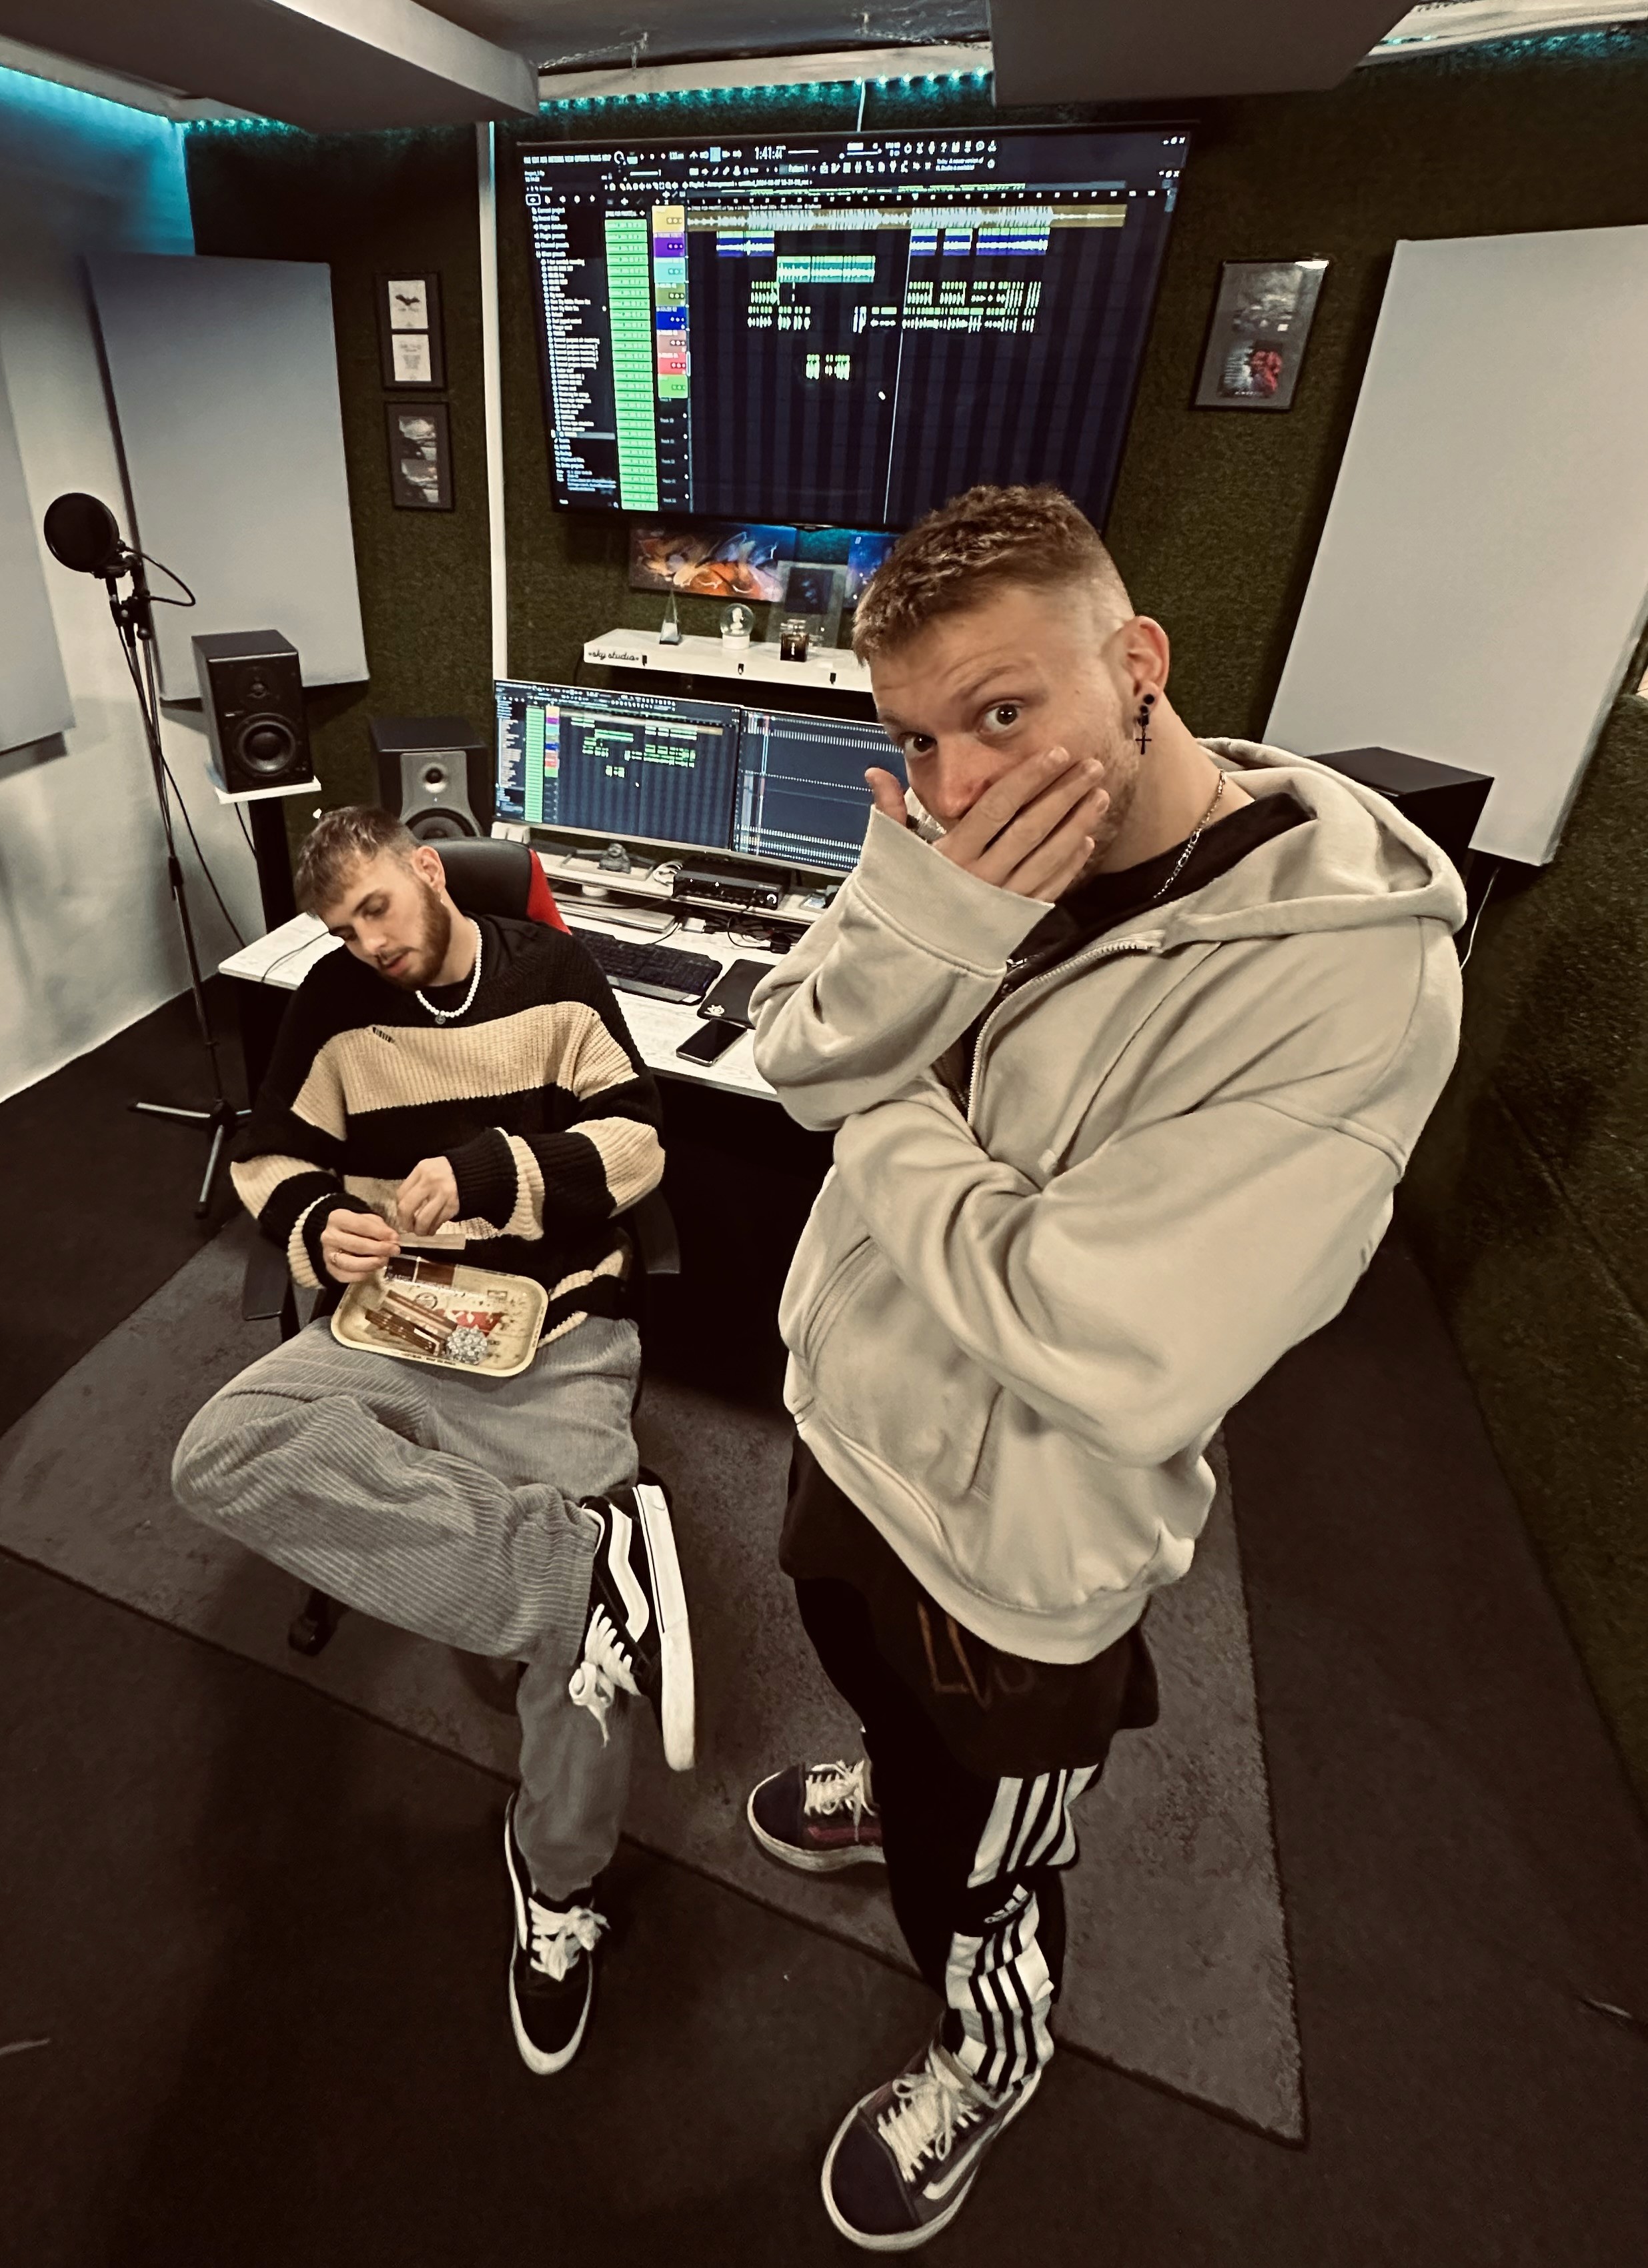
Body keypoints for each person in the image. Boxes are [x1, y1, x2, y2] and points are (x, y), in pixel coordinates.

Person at [742, 485, 1465, 2250]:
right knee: (876, 1704)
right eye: (920, 738)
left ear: (1137, 661)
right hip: (851, 1431)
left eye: (1004, 710)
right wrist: (914, 942)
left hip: (1018, 1554)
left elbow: (1101, 1339)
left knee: (979, 1871)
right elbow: (789, 1042)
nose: (960, 782)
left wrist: (876, 1101)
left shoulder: (1344, 981)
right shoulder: (950, 852)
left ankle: (987, 2052)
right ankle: (889, 1772)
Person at [172, 807, 693, 2078]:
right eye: (340, 927)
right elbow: (270, 1156)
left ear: (425, 868)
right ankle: (579, 1570)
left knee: (582, 1669)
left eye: (376, 908)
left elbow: (638, 1143)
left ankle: (559, 1882)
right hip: (397, 1313)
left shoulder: (553, 970)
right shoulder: (332, 1002)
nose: (367, 943)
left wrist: (496, 1172)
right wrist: (315, 1225)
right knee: (217, 1452)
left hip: (553, 1321)